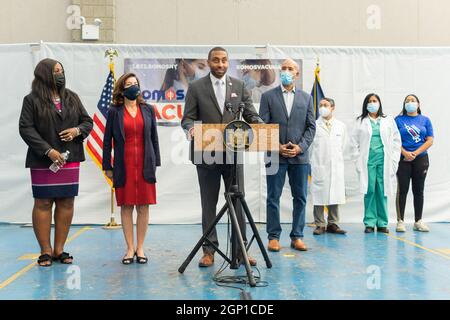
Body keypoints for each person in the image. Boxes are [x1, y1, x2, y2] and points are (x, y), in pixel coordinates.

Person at [181, 47, 263, 267]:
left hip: (233, 155)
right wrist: (190, 129)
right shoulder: (197, 87)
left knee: (237, 201)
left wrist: (259, 125)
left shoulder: (239, 85)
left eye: (224, 60)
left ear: (228, 63)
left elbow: (250, 114)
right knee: (209, 203)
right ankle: (209, 250)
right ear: (209, 62)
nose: (220, 64)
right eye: (216, 60)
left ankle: (240, 251)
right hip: (205, 153)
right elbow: (187, 119)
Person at [19, 58, 93, 267]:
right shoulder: (31, 100)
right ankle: (45, 251)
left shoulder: (72, 97)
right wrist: (48, 151)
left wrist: (77, 131)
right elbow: (26, 128)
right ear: (44, 74)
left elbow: (87, 122)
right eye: (56, 71)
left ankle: (59, 249)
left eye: (62, 70)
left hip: (70, 159)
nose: (60, 74)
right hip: (43, 160)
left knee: (66, 201)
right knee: (43, 202)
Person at [103, 73, 161, 265]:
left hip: (145, 164)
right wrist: (107, 166)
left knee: (143, 206)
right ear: (122, 88)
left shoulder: (148, 109)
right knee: (126, 206)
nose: (133, 87)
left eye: (136, 84)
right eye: (129, 84)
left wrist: (156, 162)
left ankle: (140, 248)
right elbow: (106, 141)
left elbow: (154, 138)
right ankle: (129, 248)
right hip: (123, 165)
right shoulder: (114, 111)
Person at [259, 58, 316, 252]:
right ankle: (273, 237)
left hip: (300, 157)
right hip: (274, 156)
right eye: (282, 68)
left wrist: (300, 147)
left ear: (296, 73)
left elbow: (311, 127)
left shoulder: (306, 98)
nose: (285, 71)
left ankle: (297, 236)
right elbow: (262, 126)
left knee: (300, 197)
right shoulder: (268, 97)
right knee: (272, 197)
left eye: (289, 68)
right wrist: (276, 146)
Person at [350, 93, 401, 233]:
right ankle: (370, 222)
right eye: (370, 101)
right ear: (366, 104)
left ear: (379, 103)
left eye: (375, 101)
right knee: (370, 190)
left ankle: (382, 223)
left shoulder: (388, 120)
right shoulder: (360, 121)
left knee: (382, 191)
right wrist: (357, 160)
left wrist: (395, 158)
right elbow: (353, 143)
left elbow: (396, 140)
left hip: (384, 161)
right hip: (368, 161)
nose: (372, 103)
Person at [395, 94, 434, 232]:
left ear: (418, 104)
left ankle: (418, 221)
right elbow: (393, 140)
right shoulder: (398, 120)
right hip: (403, 159)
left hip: (421, 159)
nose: (410, 103)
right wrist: (405, 153)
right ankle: (400, 221)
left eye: (413, 100)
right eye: (407, 101)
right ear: (404, 104)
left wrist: (415, 153)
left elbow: (429, 140)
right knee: (402, 190)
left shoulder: (425, 120)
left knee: (418, 190)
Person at [310, 98, 347, 235]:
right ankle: (319, 224)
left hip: (335, 166)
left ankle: (333, 223)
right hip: (319, 165)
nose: (322, 107)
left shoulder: (341, 126)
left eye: (325, 105)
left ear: (332, 107)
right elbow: (310, 148)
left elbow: (343, 145)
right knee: (319, 196)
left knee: (335, 194)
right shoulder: (314, 125)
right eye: (320, 105)